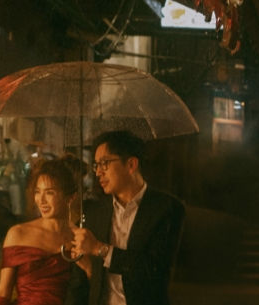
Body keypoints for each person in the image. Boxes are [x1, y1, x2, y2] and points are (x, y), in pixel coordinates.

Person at [69, 131, 185, 305]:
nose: (98, 172)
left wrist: (101, 249)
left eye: (105, 163)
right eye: (96, 165)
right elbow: (78, 284)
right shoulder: (94, 210)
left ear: (131, 164)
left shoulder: (167, 209)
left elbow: (154, 270)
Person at [0, 156, 91, 305]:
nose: (41, 200)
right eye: (37, 192)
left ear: (70, 198)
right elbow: (3, 292)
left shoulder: (79, 238)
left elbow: (92, 291)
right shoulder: (18, 234)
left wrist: (89, 268)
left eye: (49, 192)